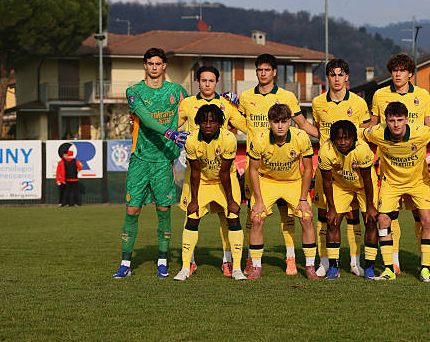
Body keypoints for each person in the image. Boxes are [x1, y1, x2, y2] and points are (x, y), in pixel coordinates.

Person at [112, 47, 189, 279]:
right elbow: (145, 119)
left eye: (158, 63)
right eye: (150, 63)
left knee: (163, 210)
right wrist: (171, 132)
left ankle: (162, 262)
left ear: (164, 66)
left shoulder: (177, 90)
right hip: (140, 159)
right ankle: (125, 264)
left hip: (164, 160)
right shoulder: (134, 91)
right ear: (145, 65)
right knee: (132, 210)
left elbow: (194, 110)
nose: (154, 67)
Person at [238, 54, 318, 276]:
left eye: (267, 69)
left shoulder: (287, 97)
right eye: (259, 69)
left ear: (274, 72)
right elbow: (236, 121)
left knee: (297, 217)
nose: (263, 73)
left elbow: (303, 124)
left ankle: (298, 261)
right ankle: (253, 263)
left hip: (290, 176)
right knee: (254, 216)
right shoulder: (245, 97)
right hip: (262, 169)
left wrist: (329, 138)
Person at [178, 65, 247, 277]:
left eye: (211, 80)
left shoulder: (226, 104)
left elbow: (246, 125)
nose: (207, 84)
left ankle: (229, 262)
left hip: (222, 172)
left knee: (228, 218)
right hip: (197, 170)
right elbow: (171, 124)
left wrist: (241, 106)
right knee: (191, 215)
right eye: (203, 80)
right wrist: (169, 133)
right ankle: (189, 263)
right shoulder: (187, 103)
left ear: (217, 82)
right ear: (197, 82)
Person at [369, 53, 430, 275]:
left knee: (422, 218)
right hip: (390, 170)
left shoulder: (422, 95)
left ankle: (426, 264)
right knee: (389, 217)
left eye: (402, 70)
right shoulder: (380, 95)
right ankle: (392, 262)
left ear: (410, 74)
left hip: (417, 170)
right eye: (394, 70)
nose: (398, 74)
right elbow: (372, 129)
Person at [361, 102, 430, 282]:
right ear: (386, 121)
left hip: (418, 182)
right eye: (392, 120)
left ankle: (425, 268)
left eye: (400, 120)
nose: (396, 124)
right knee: (383, 220)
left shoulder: (421, 132)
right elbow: (358, 133)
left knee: (427, 221)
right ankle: (389, 268)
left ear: (407, 120)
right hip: (391, 183)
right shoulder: (377, 132)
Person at [311, 59, 371, 277]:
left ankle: (355, 263)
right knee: (325, 215)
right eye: (332, 75)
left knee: (354, 214)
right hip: (328, 166)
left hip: (352, 167)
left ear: (347, 77)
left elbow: (365, 131)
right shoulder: (318, 103)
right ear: (327, 77)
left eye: (340, 74)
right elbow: (319, 130)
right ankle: (325, 262)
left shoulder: (358, 103)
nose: (336, 79)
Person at [247, 104, 318, 280]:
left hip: (293, 182)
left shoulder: (301, 137)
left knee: (306, 217)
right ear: (269, 122)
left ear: (290, 123)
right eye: (276, 122)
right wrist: (259, 200)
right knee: (257, 218)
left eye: (284, 121)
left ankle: (310, 267)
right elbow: (253, 170)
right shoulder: (260, 139)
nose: (280, 126)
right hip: (268, 181)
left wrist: (303, 199)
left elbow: (308, 169)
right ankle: (256, 267)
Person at [318, 120, 378, 280]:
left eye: (347, 138)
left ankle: (369, 267)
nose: (343, 142)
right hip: (341, 185)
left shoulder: (362, 149)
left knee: (371, 220)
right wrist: (331, 208)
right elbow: (326, 182)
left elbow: (367, 180)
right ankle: (333, 267)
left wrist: (370, 206)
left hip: (363, 186)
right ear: (333, 139)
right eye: (339, 138)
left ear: (354, 138)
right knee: (332, 221)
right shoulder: (325, 151)